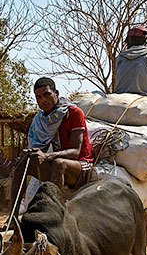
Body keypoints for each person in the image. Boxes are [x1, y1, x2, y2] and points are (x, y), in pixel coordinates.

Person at [10, 77, 94, 207]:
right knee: (22, 163)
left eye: (47, 94)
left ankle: (54, 211)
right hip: (55, 167)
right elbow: (40, 149)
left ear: (56, 93)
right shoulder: (39, 120)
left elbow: (76, 152)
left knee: (59, 163)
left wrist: (46, 156)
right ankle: (12, 218)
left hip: (80, 167)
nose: (43, 100)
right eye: (38, 97)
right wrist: (31, 154)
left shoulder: (73, 113)